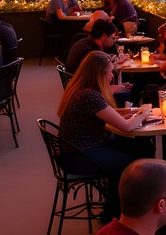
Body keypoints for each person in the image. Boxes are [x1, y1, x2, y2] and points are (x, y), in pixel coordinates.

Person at [58, 51, 155, 222]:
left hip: (75, 149)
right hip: (80, 154)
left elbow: (109, 114)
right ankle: (114, 214)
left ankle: (128, 207)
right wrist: (144, 112)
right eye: (109, 72)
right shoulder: (90, 96)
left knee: (141, 148)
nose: (112, 76)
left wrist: (133, 112)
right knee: (130, 164)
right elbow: (127, 126)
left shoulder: (80, 89)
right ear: (98, 73)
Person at [65, 19, 133, 102]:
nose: (113, 40)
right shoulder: (92, 54)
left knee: (122, 87)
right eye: (112, 37)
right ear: (104, 36)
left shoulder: (84, 42)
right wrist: (116, 87)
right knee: (126, 92)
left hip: (75, 86)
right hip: (84, 92)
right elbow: (96, 84)